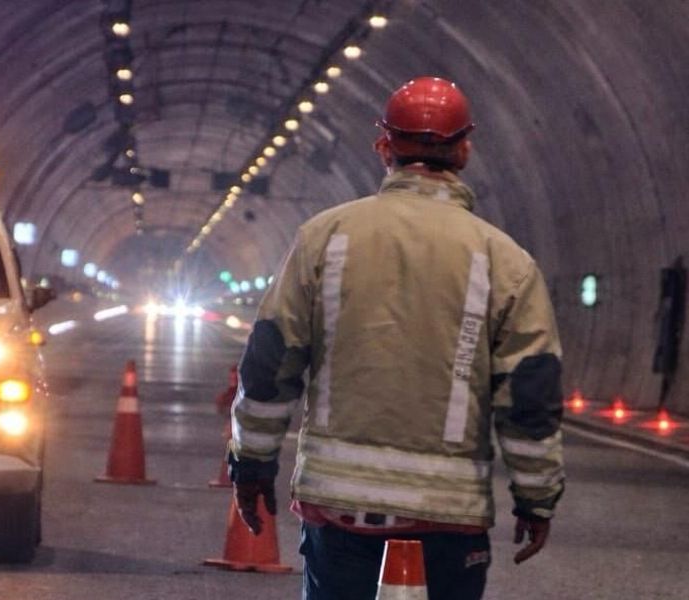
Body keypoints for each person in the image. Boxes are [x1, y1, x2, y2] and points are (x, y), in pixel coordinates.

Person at [228, 76, 565, 600]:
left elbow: (271, 364)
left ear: (384, 146)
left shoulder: (325, 238)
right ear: (466, 150)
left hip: (339, 509)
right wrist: (536, 498)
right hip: (447, 516)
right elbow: (529, 396)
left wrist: (251, 463)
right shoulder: (506, 261)